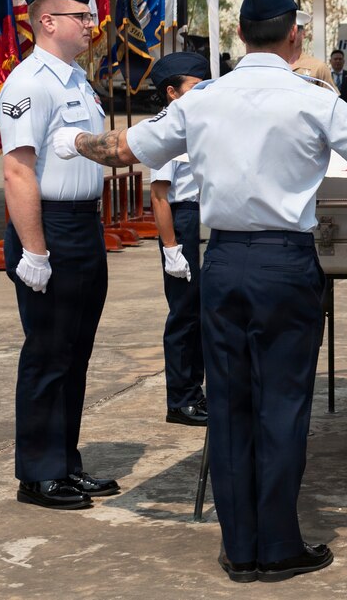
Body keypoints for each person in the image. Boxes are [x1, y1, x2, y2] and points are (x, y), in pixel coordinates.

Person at [52, 0, 347, 582]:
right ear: (295, 36)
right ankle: (278, 544)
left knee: (230, 405)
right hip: (285, 263)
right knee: (282, 406)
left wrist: (73, 141)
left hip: (222, 264)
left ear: (240, 34)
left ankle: (239, 546)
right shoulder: (313, 98)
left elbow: (123, 150)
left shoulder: (200, 99)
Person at [0, 0, 119, 510]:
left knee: (76, 352)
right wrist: (35, 250)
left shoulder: (75, 78)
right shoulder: (29, 83)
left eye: (89, 15)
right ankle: (38, 473)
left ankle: (66, 463)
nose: (91, 24)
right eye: (81, 16)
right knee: (48, 353)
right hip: (49, 227)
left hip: (85, 225)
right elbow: (18, 171)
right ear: (47, 22)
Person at [148, 52, 211, 427]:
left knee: (207, 313)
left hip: (209, 217)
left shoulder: (204, 123)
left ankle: (199, 392)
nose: (202, 92)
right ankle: (181, 399)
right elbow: (159, 196)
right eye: (195, 87)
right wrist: (171, 248)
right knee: (185, 314)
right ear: (172, 92)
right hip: (183, 221)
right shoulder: (164, 130)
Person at [290, 11, 335, 89]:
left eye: (294, 31)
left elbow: (332, 98)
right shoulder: (274, 65)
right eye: (287, 31)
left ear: (303, 34)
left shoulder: (318, 67)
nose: (291, 35)